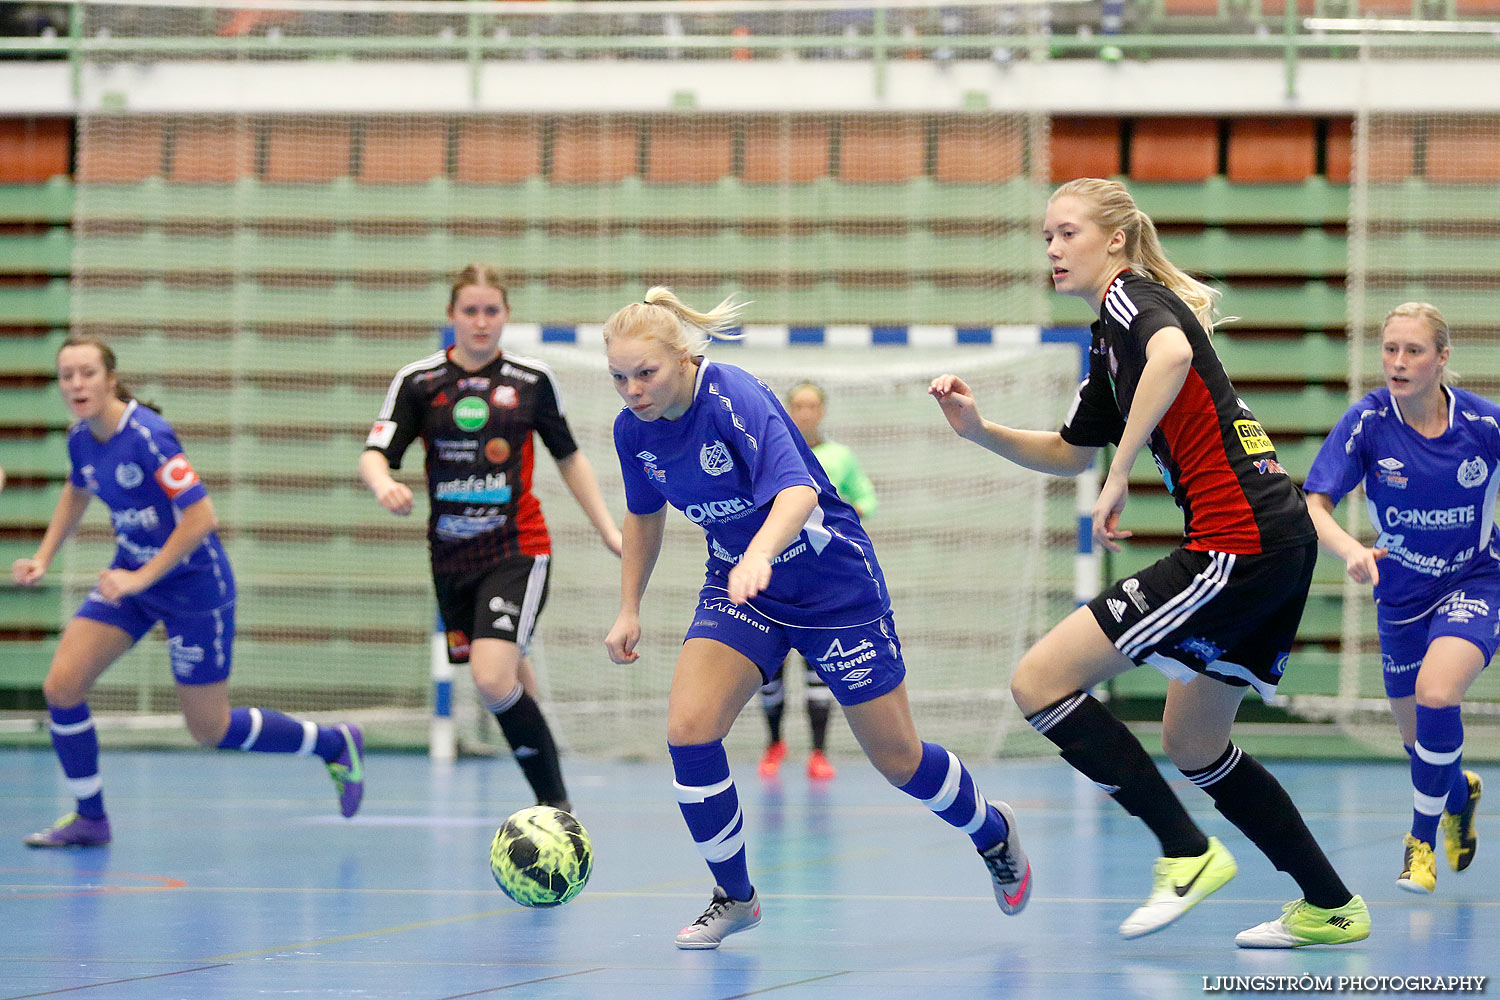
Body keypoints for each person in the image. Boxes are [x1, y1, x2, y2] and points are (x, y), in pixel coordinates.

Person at [929, 177, 1369, 949]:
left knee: (1038, 681)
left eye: (1066, 233)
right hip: (1275, 541)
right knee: (1194, 743)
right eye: (1046, 237)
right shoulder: (1107, 342)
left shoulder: (1132, 301)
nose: (1053, 249)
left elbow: (1170, 352)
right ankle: (1333, 906)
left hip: (1240, 539)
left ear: (1116, 241)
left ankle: (1186, 852)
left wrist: (1121, 470)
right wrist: (978, 430)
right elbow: (1069, 452)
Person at [602, 287, 1031, 950]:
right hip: (743, 587)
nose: (632, 390)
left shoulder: (732, 396)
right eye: (619, 377)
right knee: (689, 729)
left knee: (899, 760)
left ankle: (991, 831)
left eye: (645, 373)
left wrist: (762, 553)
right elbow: (643, 514)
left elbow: (799, 488)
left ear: (684, 359)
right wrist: (629, 606)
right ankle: (735, 896)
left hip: (832, 587)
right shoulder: (633, 432)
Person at [13, 335, 364, 848]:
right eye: (67, 375)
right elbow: (77, 489)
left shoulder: (150, 436)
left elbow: (202, 517)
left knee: (209, 728)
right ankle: (91, 818)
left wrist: (140, 577)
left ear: (110, 378)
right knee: (61, 688)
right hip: (134, 578)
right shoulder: (80, 440)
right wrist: (44, 557)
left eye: (87, 373)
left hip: (194, 587)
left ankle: (333, 744)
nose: (76, 384)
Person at [360, 264, 621, 814]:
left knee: (490, 677)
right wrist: (384, 482)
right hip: (451, 558)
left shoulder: (530, 381)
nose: (481, 322)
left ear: (506, 316)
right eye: (470, 311)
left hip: (518, 549)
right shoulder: (419, 382)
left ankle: (556, 807)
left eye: (492, 311)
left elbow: (569, 458)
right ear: (452, 316)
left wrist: (609, 531)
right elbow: (376, 452)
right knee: (510, 682)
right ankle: (550, 783)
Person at [1303, 301, 1493, 895]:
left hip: (1474, 583)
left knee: (1439, 694)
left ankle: (1419, 844)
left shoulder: (1484, 427)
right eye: (1390, 349)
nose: (1399, 362)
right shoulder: (1368, 422)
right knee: (1419, 745)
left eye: (1413, 351)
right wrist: (1350, 552)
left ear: (1441, 358)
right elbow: (1314, 506)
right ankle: (1461, 795)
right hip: (1401, 597)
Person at [756, 380, 878, 781]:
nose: (805, 412)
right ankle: (774, 744)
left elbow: (866, 498)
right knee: (769, 672)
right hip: (773, 579)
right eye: (798, 405)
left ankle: (819, 753)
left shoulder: (840, 457)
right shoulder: (772, 451)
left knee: (818, 672)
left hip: (821, 583)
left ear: (822, 410)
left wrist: (841, 518)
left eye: (812, 405)